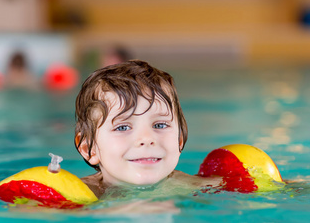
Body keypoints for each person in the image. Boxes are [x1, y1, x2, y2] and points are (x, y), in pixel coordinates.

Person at [74, 60, 221, 201]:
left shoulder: (200, 188)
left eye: (160, 125)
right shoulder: (77, 196)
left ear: (180, 140)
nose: (146, 138)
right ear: (89, 149)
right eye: (123, 127)